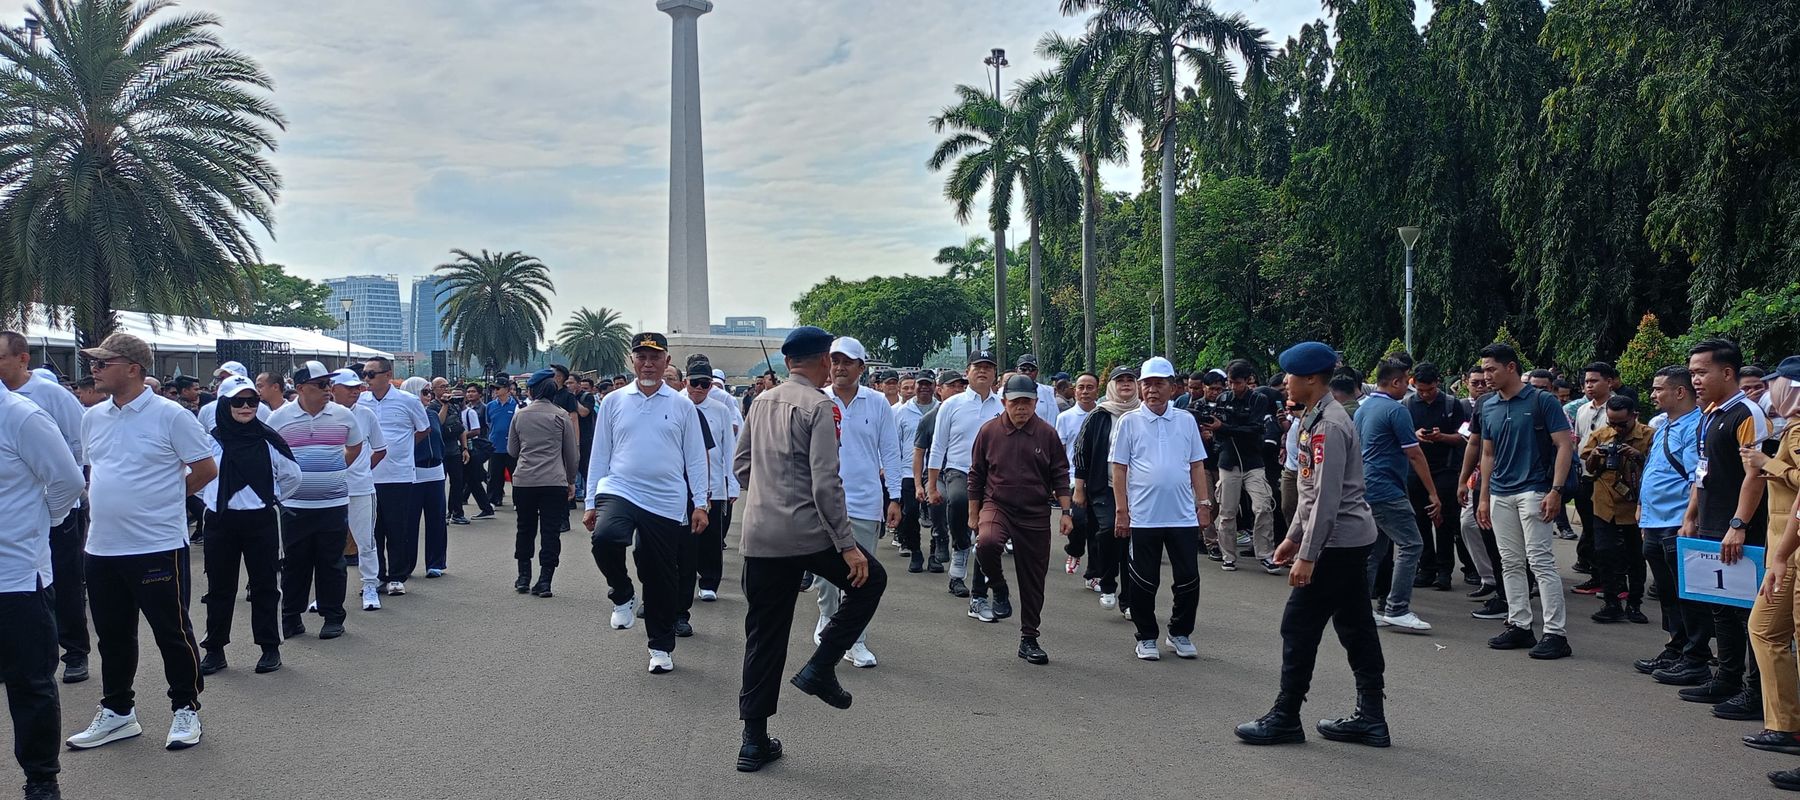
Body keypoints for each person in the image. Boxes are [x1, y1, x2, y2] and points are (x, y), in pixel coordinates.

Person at [731, 326, 886, 773]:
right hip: (808, 534)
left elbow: (741, 465)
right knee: (871, 579)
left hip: (760, 536)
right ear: (820, 360)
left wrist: (766, 497)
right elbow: (825, 482)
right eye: (829, 360)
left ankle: (753, 741)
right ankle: (820, 666)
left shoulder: (760, 401)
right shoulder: (819, 404)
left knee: (764, 636)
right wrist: (847, 545)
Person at [67, 332, 215, 752]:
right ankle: (117, 712)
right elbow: (99, 472)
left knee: (171, 631)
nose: (93, 370)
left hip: (155, 543)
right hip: (101, 546)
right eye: (93, 363)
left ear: (133, 368)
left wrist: (164, 500)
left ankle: (186, 708)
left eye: (102, 363)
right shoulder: (92, 416)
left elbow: (205, 469)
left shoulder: (170, 415)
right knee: (112, 634)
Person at [1235, 341, 1387, 748]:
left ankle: (1286, 716)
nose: (1285, 382)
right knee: (1356, 625)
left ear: (1312, 379)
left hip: (1336, 543)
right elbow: (1308, 492)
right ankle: (1371, 717)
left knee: (1298, 625)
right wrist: (1291, 537)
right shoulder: (1313, 419)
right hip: (1340, 540)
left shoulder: (1330, 425)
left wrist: (1308, 554)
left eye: (1291, 376)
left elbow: (1328, 498)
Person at [582, 333, 710, 675]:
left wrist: (701, 503)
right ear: (632, 360)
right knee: (605, 539)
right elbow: (600, 453)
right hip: (621, 487)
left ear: (667, 361)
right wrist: (591, 500)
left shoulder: (683, 405)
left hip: (665, 498)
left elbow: (696, 458)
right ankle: (622, 593)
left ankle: (660, 647)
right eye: (641, 356)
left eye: (655, 357)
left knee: (660, 576)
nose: (648, 363)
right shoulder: (613, 401)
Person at [0, 372, 86, 799]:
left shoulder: (22, 417)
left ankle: (41, 779)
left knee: (29, 683)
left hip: (15, 578)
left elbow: (68, 481)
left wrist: (42, 525)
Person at [1677, 338, 1771, 718]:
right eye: (1693, 372)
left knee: (1749, 612)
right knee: (1721, 604)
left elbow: (1757, 475)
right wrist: (1690, 515)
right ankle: (1726, 677)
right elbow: (1703, 473)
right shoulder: (1710, 414)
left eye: (1702, 372)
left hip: (1743, 528)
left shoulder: (1746, 414)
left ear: (1727, 372)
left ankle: (1755, 692)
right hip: (1710, 524)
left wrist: (1739, 524)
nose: (1695, 379)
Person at [1, 331, 91, 685]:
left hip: (58, 507)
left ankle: (75, 652)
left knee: (65, 581)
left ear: (22, 359)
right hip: (22, 518)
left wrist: (55, 512)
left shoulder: (47, 397)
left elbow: (77, 445)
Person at [1475, 342, 1575, 660]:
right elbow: (1486, 453)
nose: (1486, 375)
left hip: (1535, 490)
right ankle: (1519, 625)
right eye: (1484, 369)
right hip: (1500, 494)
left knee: (1540, 561)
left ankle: (1556, 634)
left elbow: (1564, 446)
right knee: (1510, 562)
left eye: (1492, 369)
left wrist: (1556, 491)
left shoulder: (1542, 400)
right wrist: (1483, 496)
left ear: (1511, 368)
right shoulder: (1488, 405)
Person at [1110, 356, 1215, 661]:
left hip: (1182, 514)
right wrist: (1122, 511)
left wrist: (1204, 503)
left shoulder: (1185, 420)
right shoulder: (1129, 421)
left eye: (1159, 384)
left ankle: (1180, 632)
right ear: (1141, 388)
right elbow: (1119, 468)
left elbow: (1197, 464)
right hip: (1143, 516)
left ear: (1172, 387)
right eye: (1147, 384)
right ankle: (1146, 636)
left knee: (1188, 578)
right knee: (1144, 580)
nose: (1152, 390)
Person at [196, 376, 300, 677]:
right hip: (220, 522)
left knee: (265, 585)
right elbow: (198, 477)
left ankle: (270, 647)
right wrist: (215, 501)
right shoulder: (211, 441)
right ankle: (214, 649)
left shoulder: (268, 439)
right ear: (224, 404)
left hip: (259, 521)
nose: (245, 407)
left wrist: (271, 496)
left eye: (251, 401)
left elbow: (293, 476)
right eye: (237, 402)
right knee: (219, 588)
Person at [969, 374, 1074, 663]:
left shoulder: (1047, 434)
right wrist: (973, 513)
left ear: (1036, 403)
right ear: (1004, 403)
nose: (1021, 409)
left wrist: (1066, 513)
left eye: (1027, 403)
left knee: (1033, 579)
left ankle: (1029, 638)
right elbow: (976, 474)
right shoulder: (989, 432)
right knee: (987, 543)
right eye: (1015, 403)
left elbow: (1060, 475)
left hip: (1035, 511)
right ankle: (998, 587)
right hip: (997, 504)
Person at [812, 338, 900, 667]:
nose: (839, 367)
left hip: (864, 501)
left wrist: (895, 496)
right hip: (823, 501)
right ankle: (826, 618)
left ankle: (856, 640)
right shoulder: (818, 399)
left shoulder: (877, 403)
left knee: (861, 575)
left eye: (847, 361)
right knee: (825, 574)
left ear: (861, 367)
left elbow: (891, 452)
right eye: (834, 361)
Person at [269, 362, 365, 639]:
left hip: (333, 503)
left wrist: (333, 468)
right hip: (294, 506)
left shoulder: (343, 415)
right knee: (295, 563)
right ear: (300, 388)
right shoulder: (279, 418)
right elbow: (270, 453)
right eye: (320, 385)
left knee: (332, 562)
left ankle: (333, 616)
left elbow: (355, 446)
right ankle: (291, 616)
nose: (327, 390)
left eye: (328, 385)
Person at [1356, 357, 1442, 633]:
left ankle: (1362, 608)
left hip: (1366, 485)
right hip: (1386, 488)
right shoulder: (1396, 410)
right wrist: (1432, 492)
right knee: (1411, 545)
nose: (1408, 386)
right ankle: (1397, 608)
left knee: (1375, 549)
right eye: (1406, 381)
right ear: (1395, 382)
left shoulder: (1364, 408)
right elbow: (1414, 453)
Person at [1636, 366, 1706, 682]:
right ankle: (1675, 647)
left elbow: (1698, 479)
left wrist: (1690, 518)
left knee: (1685, 592)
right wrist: (1641, 506)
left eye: (1658, 388)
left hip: (1677, 521)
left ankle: (1695, 656)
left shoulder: (1695, 427)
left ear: (1680, 392)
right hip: (1654, 519)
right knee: (1667, 590)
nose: (1653, 395)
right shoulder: (1663, 425)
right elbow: (1655, 468)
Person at [1750, 357, 1800, 770]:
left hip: (1792, 550)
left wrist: (1768, 464)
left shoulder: (1798, 428)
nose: (1771, 392)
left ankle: (1786, 724)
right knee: (1766, 630)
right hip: (1785, 547)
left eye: (1777, 384)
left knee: (1766, 630)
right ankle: (1784, 723)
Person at [927, 351, 1005, 601]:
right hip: (959, 469)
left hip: (993, 474)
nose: (983, 371)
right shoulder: (952, 405)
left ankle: (980, 589)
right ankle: (960, 548)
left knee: (987, 532)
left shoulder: (1002, 406)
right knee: (959, 501)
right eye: (977, 367)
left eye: (988, 367)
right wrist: (931, 485)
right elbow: (938, 446)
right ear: (967, 372)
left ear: (995, 374)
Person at [1579, 394, 1655, 623]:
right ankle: (1611, 601)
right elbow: (1589, 469)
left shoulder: (1650, 436)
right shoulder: (1601, 435)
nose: (1616, 429)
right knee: (1604, 553)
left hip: (1634, 504)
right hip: (1605, 504)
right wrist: (1594, 455)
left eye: (1622, 424)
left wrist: (1639, 457)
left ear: (1635, 416)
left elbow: (1658, 467)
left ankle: (1634, 603)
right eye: (1612, 423)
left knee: (1635, 556)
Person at [359, 357, 429, 596]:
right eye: (364, 374)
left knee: (397, 527)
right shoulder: (360, 402)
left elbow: (423, 429)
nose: (366, 378)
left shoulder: (407, 401)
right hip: (367, 475)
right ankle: (376, 575)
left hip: (398, 474)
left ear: (388, 375)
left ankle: (397, 576)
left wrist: (402, 448)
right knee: (371, 529)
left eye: (371, 374)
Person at [1075, 366, 1141, 613]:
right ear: (1111, 385)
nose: (1125, 384)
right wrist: (1079, 488)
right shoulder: (1099, 415)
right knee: (1109, 532)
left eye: (1130, 380)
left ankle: (1129, 600)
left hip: (1138, 490)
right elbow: (1082, 452)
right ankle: (1107, 583)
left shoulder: (1144, 413)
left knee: (1132, 543)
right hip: (1104, 487)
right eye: (1120, 380)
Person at [509, 369, 580, 598]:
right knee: (551, 531)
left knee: (525, 528)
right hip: (554, 480)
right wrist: (570, 480)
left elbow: (512, 450)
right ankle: (545, 580)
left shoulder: (520, 415)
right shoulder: (561, 416)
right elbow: (571, 454)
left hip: (525, 480)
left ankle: (523, 577)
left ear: (531, 390)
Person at [1206, 360, 1281, 573]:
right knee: (1228, 511)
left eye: (1237, 383)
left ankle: (1265, 553)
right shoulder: (1223, 398)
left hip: (1253, 461)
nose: (1232, 387)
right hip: (1228, 461)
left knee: (1263, 506)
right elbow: (1218, 428)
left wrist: (1226, 427)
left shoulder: (1259, 399)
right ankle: (1228, 555)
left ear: (1247, 381)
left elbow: (1255, 428)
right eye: (1229, 382)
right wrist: (1219, 430)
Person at [1403, 363, 1467, 592]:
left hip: (1445, 470)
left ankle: (1444, 571)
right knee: (1419, 521)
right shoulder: (1408, 404)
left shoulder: (1452, 404)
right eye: (1420, 390)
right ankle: (1425, 568)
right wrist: (1416, 435)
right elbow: (1403, 437)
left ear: (1437, 384)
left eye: (1429, 390)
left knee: (1444, 522)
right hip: (1416, 471)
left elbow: (1463, 438)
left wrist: (1442, 437)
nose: (1425, 394)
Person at [328, 370, 387, 611]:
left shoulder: (366, 414)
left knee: (365, 540)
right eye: (348, 387)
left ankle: (370, 585)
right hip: (327, 490)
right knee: (327, 544)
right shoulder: (322, 415)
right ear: (333, 388)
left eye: (357, 387)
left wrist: (361, 469)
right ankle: (326, 592)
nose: (356, 390)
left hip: (361, 488)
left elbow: (380, 449)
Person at [1568, 362, 1621, 581]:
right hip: (1584, 477)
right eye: (1586, 381)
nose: (1589, 386)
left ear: (1609, 382)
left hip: (1607, 479)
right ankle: (1594, 572)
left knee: (1607, 533)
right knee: (1589, 528)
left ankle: (1609, 579)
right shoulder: (1582, 409)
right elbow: (1578, 441)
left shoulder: (1619, 407)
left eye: (1594, 381)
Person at [912, 372, 964, 574]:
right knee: (940, 497)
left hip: (962, 472)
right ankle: (940, 536)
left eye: (961, 386)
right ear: (939, 390)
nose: (958, 390)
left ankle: (958, 550)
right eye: (952, 386)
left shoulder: (969, 414)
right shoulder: (929, 419)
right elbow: (918, 454)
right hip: (938, 474)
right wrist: (918, 485)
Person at [401, 377, 450, 578]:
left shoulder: (431, 413)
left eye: (430, 392)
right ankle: (405, 565)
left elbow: (438, 438)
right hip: (413, 473)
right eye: (425, 392)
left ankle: (435, 563)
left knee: (437, 520)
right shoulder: (403, 415)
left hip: (436, 472)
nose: (429, 396)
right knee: (409, 523)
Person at [893, 371, 938, 572]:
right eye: (921, 384)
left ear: (934, 386)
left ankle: (935, 553)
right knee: (910, 513)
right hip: (908, 471)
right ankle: (915, 551)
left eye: (928, 384)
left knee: (938, 515)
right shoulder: (902, 412)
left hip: (935, 471)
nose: (924, 388)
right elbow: (894, 443)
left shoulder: (942, 410)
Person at [1056, 373, 1099, 575]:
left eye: (1090, 387)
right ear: (1075, 390)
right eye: (1081, 387)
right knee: (1079, 521)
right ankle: (1075, 551)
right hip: (1074, 479)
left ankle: (1094, 573)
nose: (1085, 391)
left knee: (1098, 528)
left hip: (1099, 479)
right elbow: (1060, 452)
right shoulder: (1065, 418)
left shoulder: (1104, 414)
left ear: (1097, 390)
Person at [458, 384, 495, 521]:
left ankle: (457, 510)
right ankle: (485, 507)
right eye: (468, 392)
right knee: (473, 479)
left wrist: (460, 435)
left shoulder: (475, 411)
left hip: (475, 447)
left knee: (471, 479)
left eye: (473, 392)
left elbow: (477, 430)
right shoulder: (456, 412)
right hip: (464, 449)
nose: (469, 394)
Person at [485, 381, 520, 507]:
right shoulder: (490, 406)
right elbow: (488, 422)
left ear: (506, 389)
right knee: (494, 476)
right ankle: (494, 500)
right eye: (494, 388)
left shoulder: (516, 405)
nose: (495, 391)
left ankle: (518, 501)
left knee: (515, 475)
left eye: (498, 388)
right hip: (495, 445)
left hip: (512, 445)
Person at [1014, 354, 1060, 428]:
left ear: (1037, 372)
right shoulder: (1004, 391)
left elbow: (1053, 419)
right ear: (1016, 370)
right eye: (1023, 369)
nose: (1028, 372)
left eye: (1032, 369)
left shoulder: (1047, 392)